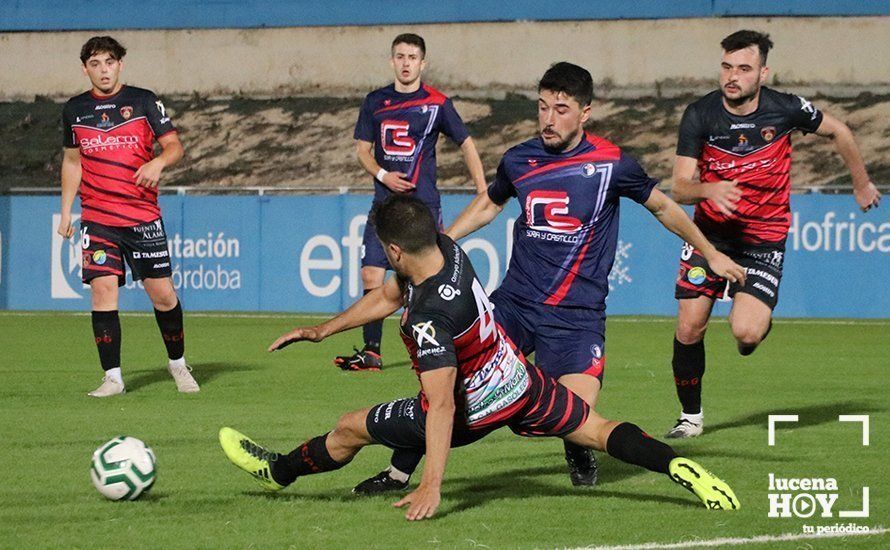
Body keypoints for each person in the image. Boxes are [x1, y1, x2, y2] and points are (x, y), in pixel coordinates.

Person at [353, 62, 746, 493]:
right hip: (514, 307)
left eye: (561, 109)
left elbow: (665, 208)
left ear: (585, 112)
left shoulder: (613, 163)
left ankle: (576, 445)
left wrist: (709, 253)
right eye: (542, 107)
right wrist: (441, 242)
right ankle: (397, 473)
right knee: (450, 386)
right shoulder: (519, 159)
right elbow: (489, 204)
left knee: (576, 413)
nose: (549, 118)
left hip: (576, 317)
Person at [219, 195, 740, 520]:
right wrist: (323, 329)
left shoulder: (428, 318)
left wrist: (432, 486)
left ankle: (278, 471)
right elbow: (386, 296)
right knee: (599, 430)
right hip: (520, 381)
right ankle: (681, 468)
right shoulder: (446, 248)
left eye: (383, 250)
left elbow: (441, 408)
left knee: (348, 427)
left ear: (395, 252)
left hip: (471, 407)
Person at [665, 30, 882, 438]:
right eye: (727, 67)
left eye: (743, 68)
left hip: (763, 239)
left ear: (762, 73)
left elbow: (840, 132)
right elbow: (678, 187)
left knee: (746, 333)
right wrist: (709, 189)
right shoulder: (700, 114)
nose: (733, 76)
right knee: (689, 326)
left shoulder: (786, 110)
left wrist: (860, 183)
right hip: (709, 238)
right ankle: (690, 417)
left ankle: (754, 323)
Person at [335, 33, 487, 372]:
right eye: (400, 56)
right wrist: (383, 174)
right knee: (371, 274)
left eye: (412, 57)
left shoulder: (437, 103)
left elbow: (466, 143)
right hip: (384, 206)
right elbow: (362, 149)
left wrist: (482, 190)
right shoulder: (375, 101)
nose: (406, 62)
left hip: (422, 210)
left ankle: (441, 346)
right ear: (392, 61)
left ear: (423, 62)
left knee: (429, 281)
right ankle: (372, 352)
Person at [57, 36, 199, 397]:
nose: (103, 70)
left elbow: (174, 146)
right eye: (95, 64)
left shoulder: (143, 101)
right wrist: (66, 211)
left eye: (109, 62)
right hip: (98, 217)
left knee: (163, 296)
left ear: (120, 64)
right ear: (85, 68)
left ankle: (178, 364)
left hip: (142, 216)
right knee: (103, 293)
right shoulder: (74, 110)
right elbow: (72, 162)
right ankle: (113, 377)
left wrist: (158, 162)